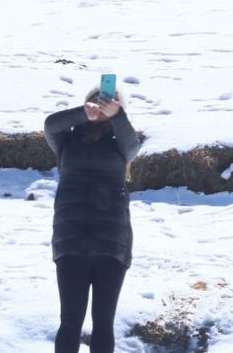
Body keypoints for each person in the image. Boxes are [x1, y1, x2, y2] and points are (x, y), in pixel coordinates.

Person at [44, 83, 141, 352]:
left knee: (103, 322)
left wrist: (117, 115)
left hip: (110, 242)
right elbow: (50, 125)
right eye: (94, 102)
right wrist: (82, 114)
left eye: (107, 103)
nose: (100, 107)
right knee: (70, 320)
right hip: (70, 240)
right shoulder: (67, 141)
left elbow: (133, 146)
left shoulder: (120, 144)